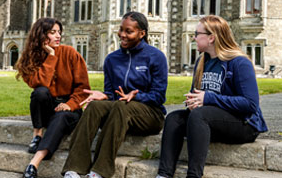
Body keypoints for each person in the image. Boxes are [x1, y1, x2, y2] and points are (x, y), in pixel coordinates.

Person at [156, 15, 268, 178]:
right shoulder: (202, 62)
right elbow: (199, 97)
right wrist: (193, 102)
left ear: (211, 38)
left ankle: (194, 175)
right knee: (174, 118)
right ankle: (164, 174)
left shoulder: (239, 62)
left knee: (200, 115)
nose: (194, 37)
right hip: (211, 121)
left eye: (197, 33)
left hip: (244, 124)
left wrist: (208, 99)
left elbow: (250, 104)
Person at [62, 11, 168, 178]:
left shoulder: (156, 57)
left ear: (142, 34)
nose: (122, 35)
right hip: (120, 113)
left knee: (121, 105)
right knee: (95, 106)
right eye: (121, 30)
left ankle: (99, 172)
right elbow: (112, 94)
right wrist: (104, 96)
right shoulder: (112, 59)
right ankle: (74, 168)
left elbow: (159, 97)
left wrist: (136, 96)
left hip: (150, 115)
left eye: (129, 31)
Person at [15, 18, 90, 178]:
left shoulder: (70, 53)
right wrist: (51, 56)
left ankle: (34, 163)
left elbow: (83, 89)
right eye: (52, 32)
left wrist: (69, 104)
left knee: (61, 115)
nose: (58, 36)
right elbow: (39, 83)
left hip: (70, 109)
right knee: (40, 92)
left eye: (59, 33)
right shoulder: (30, 59)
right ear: (41, 35)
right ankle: (37, 134)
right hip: (48, 109)